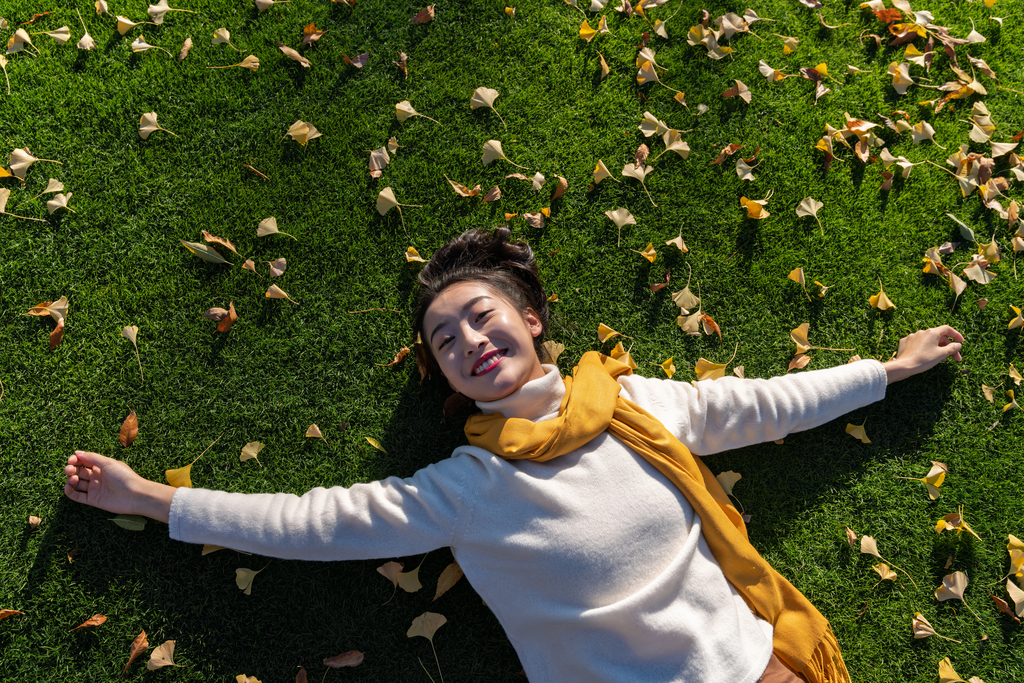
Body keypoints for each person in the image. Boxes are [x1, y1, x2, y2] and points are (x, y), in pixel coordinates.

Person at [65, 227, 964, 683]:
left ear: (530, 319)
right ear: (449, 378)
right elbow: (311, 521)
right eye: (445, 339)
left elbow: (767, 403)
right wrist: (151, 497)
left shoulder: (635, 402)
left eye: (481, 315)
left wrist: (888, 369)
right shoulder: (466, 489)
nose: (469, 337)